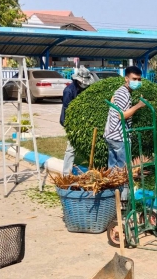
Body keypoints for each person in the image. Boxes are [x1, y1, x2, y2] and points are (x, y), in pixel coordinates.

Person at [103, 66, 146, 200]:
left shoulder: (119, 92)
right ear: (126, 78)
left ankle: (111, 197)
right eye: (134, 79)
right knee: (123, 171)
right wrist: (139, 105)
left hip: (111, 135)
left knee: (113, 169)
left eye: (139, 79)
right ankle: (123, 201)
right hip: (120, 137)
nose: (137, 82)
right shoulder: (123, 93)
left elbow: (113, 105)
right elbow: (122, 115)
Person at [60, 66, 94, 176]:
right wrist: (72, 127)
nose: (84, 84)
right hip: (70, 122)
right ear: (77, 80)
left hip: (84, 121)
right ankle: (66, 174)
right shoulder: (69, 91)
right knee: (71, 147)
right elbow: (67, 111)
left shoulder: (86, 89)